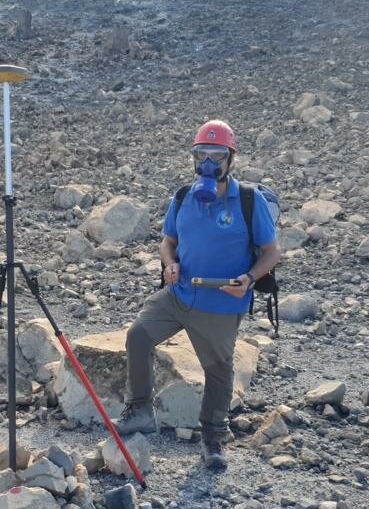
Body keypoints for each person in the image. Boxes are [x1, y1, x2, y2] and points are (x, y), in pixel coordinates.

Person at [115, 120, 281, 469]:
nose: (208, 161)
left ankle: (213, 440)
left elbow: (271, 252)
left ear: (230, 159)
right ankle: (142, 410)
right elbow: (168, 241)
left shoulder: (249, 201)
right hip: (179, 294)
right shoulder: (183, 196)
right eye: (201, 153)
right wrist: (169, 263)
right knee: (138, 336)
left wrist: (249, 279)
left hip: (221, 302)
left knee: (218, 370)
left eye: (216, 154)